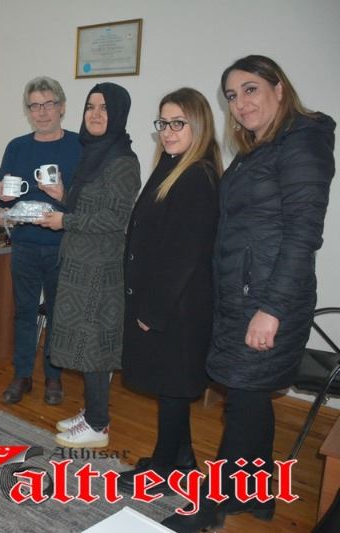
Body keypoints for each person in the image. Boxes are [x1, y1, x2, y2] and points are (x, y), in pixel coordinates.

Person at [161, 55, 336, 532]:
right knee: (251, 396)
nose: (241, 103)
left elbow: (303, 235)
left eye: (251, 89)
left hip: (269, 299)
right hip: (243, 294)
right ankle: (256, 496)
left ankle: (209, 506)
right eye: (232, 96)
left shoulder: (302, 144)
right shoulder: (261, 146)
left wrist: (271, 309)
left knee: (242, 399)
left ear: (279, 88)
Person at [117, 88, 222, 491]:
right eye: (163, 122)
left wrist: (152, 311)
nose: (168, 131)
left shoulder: (196, 176)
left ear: (199, 125)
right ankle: (183, 460)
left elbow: (183, 255)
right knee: (171, 388)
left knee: (172, 387)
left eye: (179, 123)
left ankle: (163, 470)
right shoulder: (173, 165)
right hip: (170, 303)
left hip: (177, 308)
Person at [36, 82, 140, 448]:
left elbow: (114, 218)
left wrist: (64, 220)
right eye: (90, 106)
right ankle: (92, 412)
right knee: (84, 341)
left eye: (104, 108)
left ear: (119, 114)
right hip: (79, 262)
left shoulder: (123, 161)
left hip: (100, 268)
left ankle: (98, 424)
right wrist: (62, 196)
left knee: (95, 344)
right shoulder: (93, 153)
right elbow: (89, 207)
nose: (95, 114)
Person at [0, 76, 81, 406]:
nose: (42, 112)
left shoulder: (79, 146)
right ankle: (22, 375)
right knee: (25, 312)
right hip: (25, 243)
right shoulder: (17, 146)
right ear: (28, 111)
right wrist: (0, 194)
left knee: (59, 314)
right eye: (34, 106)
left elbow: (88, 201)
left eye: (48, 104)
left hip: (63, 245)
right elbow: (2, 196)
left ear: (62, 107)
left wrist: (64, 195)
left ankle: (54, 377)